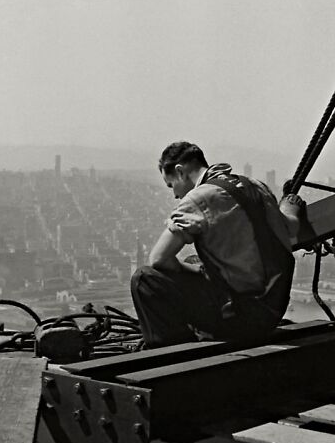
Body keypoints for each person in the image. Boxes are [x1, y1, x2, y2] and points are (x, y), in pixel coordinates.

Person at [130, 141, 306, 348]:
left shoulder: (198, 198)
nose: (175, 194)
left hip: (240, 318)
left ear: (180, 172)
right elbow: (290, 227)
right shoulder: (255, 186)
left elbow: (158, 259)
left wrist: (195, 272)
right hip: (271, 311)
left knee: (144, 280)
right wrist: (290, 204)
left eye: (172, 185)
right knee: (194, 260)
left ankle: (174, 355)